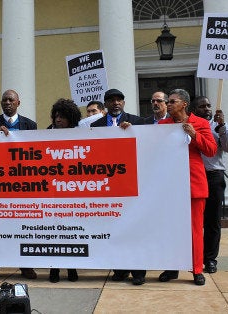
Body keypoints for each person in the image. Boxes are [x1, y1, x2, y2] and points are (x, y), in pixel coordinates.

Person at [158, 89, 217, 286]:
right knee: (171, 229)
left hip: (193, 183)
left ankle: (197, 269)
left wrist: (195, 135)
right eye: (168, 101)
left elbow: (211, 150)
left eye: (172, 101)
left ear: (184, 104)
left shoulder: (200, 123)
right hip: (169, 185)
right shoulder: (162, 125)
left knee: (194, 230)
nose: (169, 104)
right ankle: (171, 267)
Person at [0, 89, 38, 280]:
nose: (7, 103)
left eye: (11, 100)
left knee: (23, 225)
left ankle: (26, 266)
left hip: (22, 184)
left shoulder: (30, 125)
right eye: (4, 100)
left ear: (18, 103)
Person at [91, 88, 148, 285]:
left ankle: (138, 272)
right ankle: (120, 269)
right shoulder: (96, 125)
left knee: (135, 228)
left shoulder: (138, 121)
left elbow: (148, 145)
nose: (116, 103)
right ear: (105, 104)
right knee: (113, 228)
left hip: (132, 184)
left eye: (119, 100)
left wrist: (134, 131)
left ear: (124, 103)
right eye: (112, 100)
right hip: (108, 186)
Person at [191, 96, 228, 274]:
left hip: (213, 177)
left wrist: (222, 127)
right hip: (193, 176)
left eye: (209, 105)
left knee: (212, 221)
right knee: (194, 221)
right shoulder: (189, 125)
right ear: (194, 109)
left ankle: (210, 259)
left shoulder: (218, 125)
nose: (207, 109)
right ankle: (193, 257)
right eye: (202, 106)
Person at [46, 98, 81, 282]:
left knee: (71, 232)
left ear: (71, 118)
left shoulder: (80, 134)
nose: (58, 120)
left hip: (71, 191)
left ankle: (72, 268)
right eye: (56, 116)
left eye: (63, 116)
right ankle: (54, 269)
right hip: (51, 192)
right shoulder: (45, 134)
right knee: (53, 232)